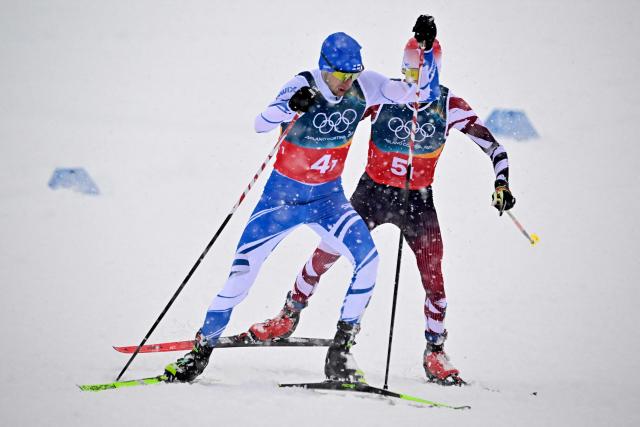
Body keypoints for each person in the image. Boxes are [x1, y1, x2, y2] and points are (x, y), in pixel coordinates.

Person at [163, 15, 442, 384]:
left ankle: (340, 353)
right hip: (280, 201)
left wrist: (428, 55)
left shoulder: (366, 85)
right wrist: (289, 106)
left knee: (369, 262)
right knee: (239, 279)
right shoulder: (303, 83)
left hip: (328, 200)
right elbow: (261, 123)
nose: (346, 84)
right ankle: (200, 351)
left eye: (351, 76)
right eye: (340, 76)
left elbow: (420, 95)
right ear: (325, 68)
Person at [244, 34, 516, 386]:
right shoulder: (385, 96)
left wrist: (502, 184)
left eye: (416, 71)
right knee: (325, 254)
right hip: (371, 193)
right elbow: (335, 115)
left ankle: (435, 349)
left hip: (416, 201)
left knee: (433, 273)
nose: (409, 78)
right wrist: (295, 118)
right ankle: (289, 314)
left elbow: (495, 149)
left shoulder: (449, 106)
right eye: (405, 69)